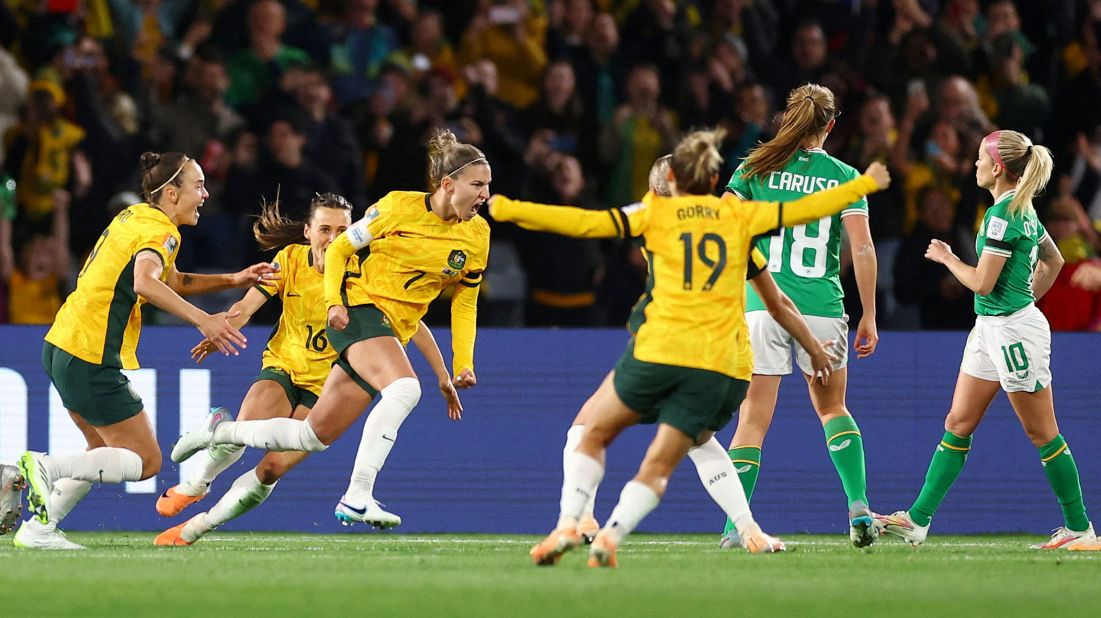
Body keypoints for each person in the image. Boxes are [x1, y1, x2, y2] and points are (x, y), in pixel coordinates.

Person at [503, 128, 889, 567]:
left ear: (659, 189)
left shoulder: (655, 219)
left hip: (662, 350)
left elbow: (583, 223)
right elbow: (781, 290)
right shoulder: (736, 224)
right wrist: (859, 186)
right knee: (691, 447)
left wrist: (509, 208)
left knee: (586, 431)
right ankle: (740, 529)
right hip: (721, 361)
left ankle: (574, 521)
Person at [168, 129, 486, 527]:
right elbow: (250, 304)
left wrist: (450, 369)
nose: (333, 238)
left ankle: (195, 524)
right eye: (324, 230)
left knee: (287, 457)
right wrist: (222, 325)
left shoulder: (383, 265)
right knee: (399, 390)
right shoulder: (298, 259)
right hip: (306, 351)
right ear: (308, 232)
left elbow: (424, 315)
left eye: (341, 230)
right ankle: (201, 484)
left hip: (334, 372)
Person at [10, 151, 277, 550]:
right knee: (146, 460)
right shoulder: (162, 231)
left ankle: (38, 530)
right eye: (198, 185)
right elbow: (145, 284)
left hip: (63, 343)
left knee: (100, 451)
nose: (205, 194)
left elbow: (172, 279)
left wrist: (234, 278)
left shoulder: (134, 216)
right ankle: (45, 467)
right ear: (171, 193)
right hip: (89, 353)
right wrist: (203, 320)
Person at [877, 130, 1096, 550]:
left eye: (980, 157)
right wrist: (1028, 295)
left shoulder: (1002, 216)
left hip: (1012, 331)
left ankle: (1080, 528)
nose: (975, 163)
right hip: (991, 328)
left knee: (1043, 434)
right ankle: (918, 520)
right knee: (958, 423)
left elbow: (981, 282)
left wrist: (947, 258)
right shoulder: (1021, 209)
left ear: (997, 168)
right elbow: (1054, 259)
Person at [719, 83, 881, 549]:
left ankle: (737, 528)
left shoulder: (756, 167)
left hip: (763, 306)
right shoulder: (846, 176)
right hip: (822, 309)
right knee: (832, 408)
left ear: (787, 118)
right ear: (831, 125)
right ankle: (858, 507)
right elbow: (863, 248)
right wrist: (868, 314)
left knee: (752, 417)